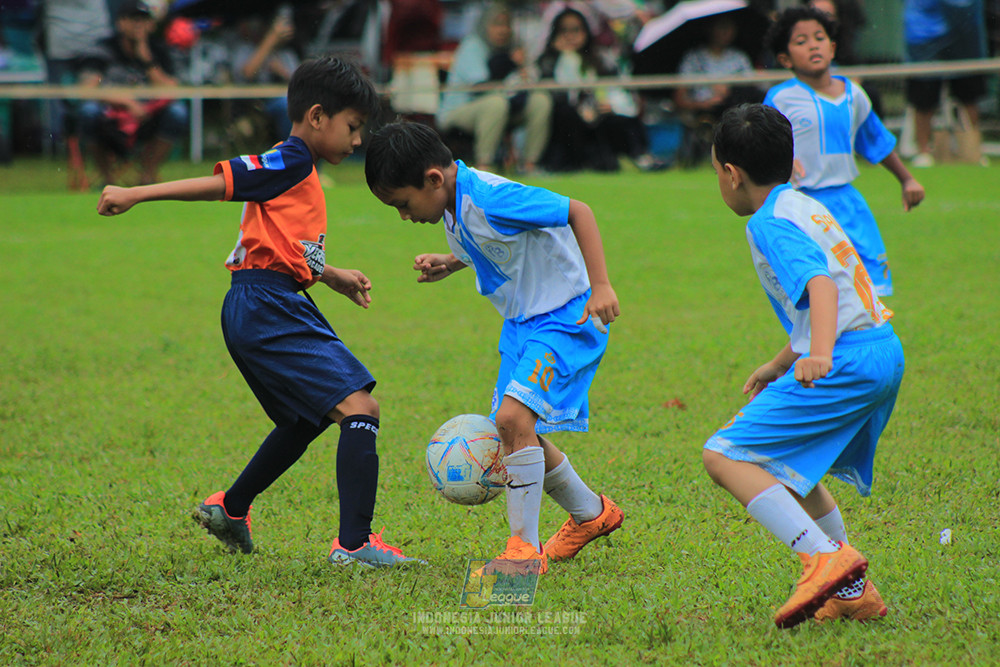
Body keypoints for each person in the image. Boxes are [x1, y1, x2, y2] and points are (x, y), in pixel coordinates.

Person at [95, 56, 422, 568]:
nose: (357, 142)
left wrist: (329, 274)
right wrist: (137, 193)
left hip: (265, 299)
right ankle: (356, 546)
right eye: (353, 127)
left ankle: (231, 507)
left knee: (303, 419)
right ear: (317, 116)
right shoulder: (290, 160)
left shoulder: (298, 169)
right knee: (361, 409)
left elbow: (285, 238)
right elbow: (224, 184)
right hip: (267, 303)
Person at [364, 121, 625, 574]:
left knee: (511, 418)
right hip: (523, 324)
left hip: (568, 315)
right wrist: (452, 261)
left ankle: (523, 552)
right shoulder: (454, 201)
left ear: (432, 179)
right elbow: (491, 241)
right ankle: (591, 514)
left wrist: (600, 285)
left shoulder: (490, 196)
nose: (404, 216)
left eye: (403, 204)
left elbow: (578, 211)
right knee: (512, 430)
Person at [704, 103, 905, 628]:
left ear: (731, 173)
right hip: (881, 347)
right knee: (789, 469)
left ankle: (825, 560)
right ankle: (852, 592)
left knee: (724, 456)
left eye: (715, 172)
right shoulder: (803, 203)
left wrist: (817, 354)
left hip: (846, 357)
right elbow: (834, 289)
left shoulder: (770, 222)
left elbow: (819, 287)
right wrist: (779, 362)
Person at [763, 7, 925, 297]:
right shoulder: (780, 98)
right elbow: (762, 144)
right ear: (785, 59)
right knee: (820, 284)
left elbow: (875, 140)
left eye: (819, 37)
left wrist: (907, 179)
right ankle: (818, 340)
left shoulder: (855, 95)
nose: (813, 45)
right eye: (800, 41)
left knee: (868, 284)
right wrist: (781, 161)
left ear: (832, 47)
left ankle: (868, 337)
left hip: (848, 203)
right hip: (803, 204)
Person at [536, 5, 665, 172]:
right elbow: (553, 94)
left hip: (599, 116)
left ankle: (638, 157)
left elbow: (617, 90)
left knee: (620, 119)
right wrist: (561, 56)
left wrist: (612, 106)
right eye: (564, 31)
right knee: (566, 114)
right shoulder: (547, 60)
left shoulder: (601, 58)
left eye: (576, 30)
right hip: (566, 123)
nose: (570, 36)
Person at [76, 0, 189, 186]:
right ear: (120, 23)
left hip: (148, 117)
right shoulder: (103, 48)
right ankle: (107, 179)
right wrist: (127, 103)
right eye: (133, 19)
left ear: (151, 25)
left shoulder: (160, 49)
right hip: (110, 116)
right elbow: (87, 90)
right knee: (88, 112)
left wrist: (146, 58)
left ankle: (147, 175)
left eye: (144, 20)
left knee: (177, 112)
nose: (139, 25)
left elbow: (172, 89)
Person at [436, 2, 552, 174]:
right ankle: (484, 167)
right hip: (459, 110)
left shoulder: (513, 47)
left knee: (540, 100)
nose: (502, 30)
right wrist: (510, 62)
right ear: (485, 25)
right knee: (495, 103)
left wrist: (524, 73)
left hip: (503, 106)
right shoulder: (472, 46)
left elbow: (528, 79)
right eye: (497, 24)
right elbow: (482, 87)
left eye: (506, 25)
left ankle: (529, 165)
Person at [903, 0, 990, 167]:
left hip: (964, 34)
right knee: (923, 100)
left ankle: (974, 150)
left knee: (969, 98)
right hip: (923, 37)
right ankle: (923, 152)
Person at [231, 8, 301, 144]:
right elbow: (247, 73)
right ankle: (291, 149)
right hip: (254, 106)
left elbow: (300, 84)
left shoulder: (287, 54)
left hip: (288, 101)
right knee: (286, 105)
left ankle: (308, 154)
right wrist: (271, 39)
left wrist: (282, 71)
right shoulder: (245, 49)